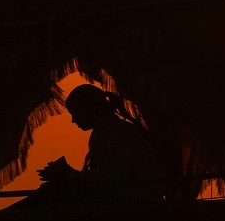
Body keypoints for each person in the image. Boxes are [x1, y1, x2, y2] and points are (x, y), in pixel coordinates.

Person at [35, 84, 163, 201]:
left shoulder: (109, 132)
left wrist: (70, 174)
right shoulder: (114, 128)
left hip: (134, 201)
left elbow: (114, 180)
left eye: (75, 113)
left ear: (88, 109)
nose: (73, 121)